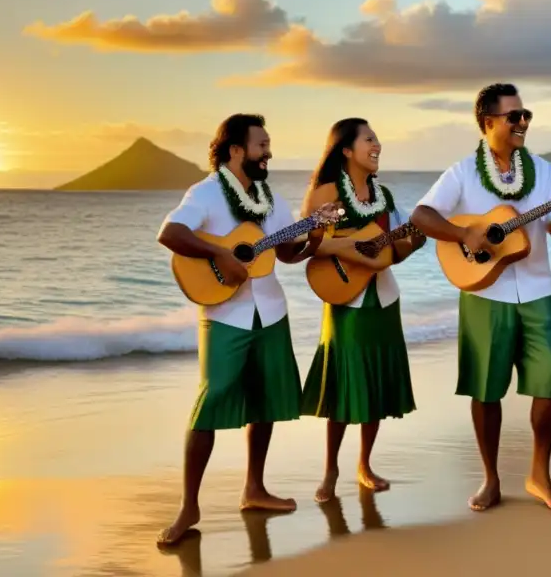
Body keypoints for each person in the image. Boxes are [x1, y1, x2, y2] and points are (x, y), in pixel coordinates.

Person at [156, 113, 325, 546]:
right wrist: (221, 254)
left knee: (266, 400)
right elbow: (170, 232)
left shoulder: (271, 197)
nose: (269, 152)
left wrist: (315, 236)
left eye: (269, 145)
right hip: (224, 315)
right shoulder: (206, 192)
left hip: (270, 311)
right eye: (261, 145)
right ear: (235, 150)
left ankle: (254, 488)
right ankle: (189, 506)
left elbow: (285, 253)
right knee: (210, 404)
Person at [410, 83, 551, 513]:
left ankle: (540, 473)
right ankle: (491, 479)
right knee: (485, 390)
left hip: (538, 289)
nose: (522, 123)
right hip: (485, 291)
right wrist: (464, 233)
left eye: (526, 116)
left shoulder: (543, 171)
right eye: (513, 117)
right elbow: (421, 216)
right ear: (488, 123)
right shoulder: (463, 173)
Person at [300, 118, 424, 503]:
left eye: (377, 139)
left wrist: (409, 244)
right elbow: (305, 244)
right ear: (346, 150)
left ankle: (364, 465)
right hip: (344, 299)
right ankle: (330, 469)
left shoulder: (384, 196)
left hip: (384, 300)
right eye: (369, 139)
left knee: (375, 383)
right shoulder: (326, 194)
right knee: (342, 385)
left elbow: (402, 245)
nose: (377, 145)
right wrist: (350, 248)